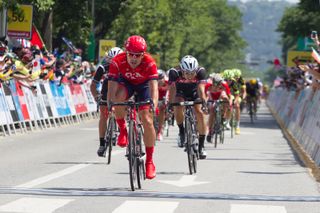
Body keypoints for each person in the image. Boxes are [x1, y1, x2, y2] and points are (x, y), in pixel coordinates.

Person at [107, 35, 158, 179]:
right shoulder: (117, 61)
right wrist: (111, 101)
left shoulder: (150, 62)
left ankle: (149, 161)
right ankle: (123, 130)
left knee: (147, 120)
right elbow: (112, 85)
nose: (134, 58)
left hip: (144, 86)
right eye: (131, 54)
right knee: (118, 99)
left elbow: (154, 87)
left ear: (143, 54)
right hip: (126, 84)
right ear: (125, 52)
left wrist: (153, 102)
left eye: (138, 55)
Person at [168, 55, 208, 159]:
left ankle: (201, 145)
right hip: (180, 91)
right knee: (178, 104)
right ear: (181, 69)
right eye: (187, 73)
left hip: (195, 91)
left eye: (192, 73)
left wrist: (204, 102)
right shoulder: (174, 72)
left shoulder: (201, 72)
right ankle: (182, 130)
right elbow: (172, 89)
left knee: (199, 112)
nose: (190, 76)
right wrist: (170, 104)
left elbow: (201, 89)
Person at [90, 47, 123, 157]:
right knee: (103, 116)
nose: (113, 63)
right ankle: (102, 144)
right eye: (111, 60)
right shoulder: (103, 68)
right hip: (106, 90)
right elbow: (93, 85)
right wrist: (96, 96)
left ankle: (122, 129)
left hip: (120, 91)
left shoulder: (125, 68)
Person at [205, 73, 231, 142]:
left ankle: (223, 115)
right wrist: (205, 105)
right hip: (211, 96)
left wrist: (229, 106)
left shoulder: (224, 85)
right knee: (212, 109)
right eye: (214, 85)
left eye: (219, 85)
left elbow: (228, 96)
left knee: (225, 99)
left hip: (220, 95)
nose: (216, 87)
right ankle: (210, 131)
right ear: (212, 82)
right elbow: (204, 96)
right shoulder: (208, 85)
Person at [156, 69, 169, 141]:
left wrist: (167, 100)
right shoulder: (152, 82)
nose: (159, 81)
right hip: (155, 99)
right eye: (157, 79)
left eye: (160, 78)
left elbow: (169, 92)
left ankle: (159, 131)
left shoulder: (167, 83)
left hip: (163, 99)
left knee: (162, 108)